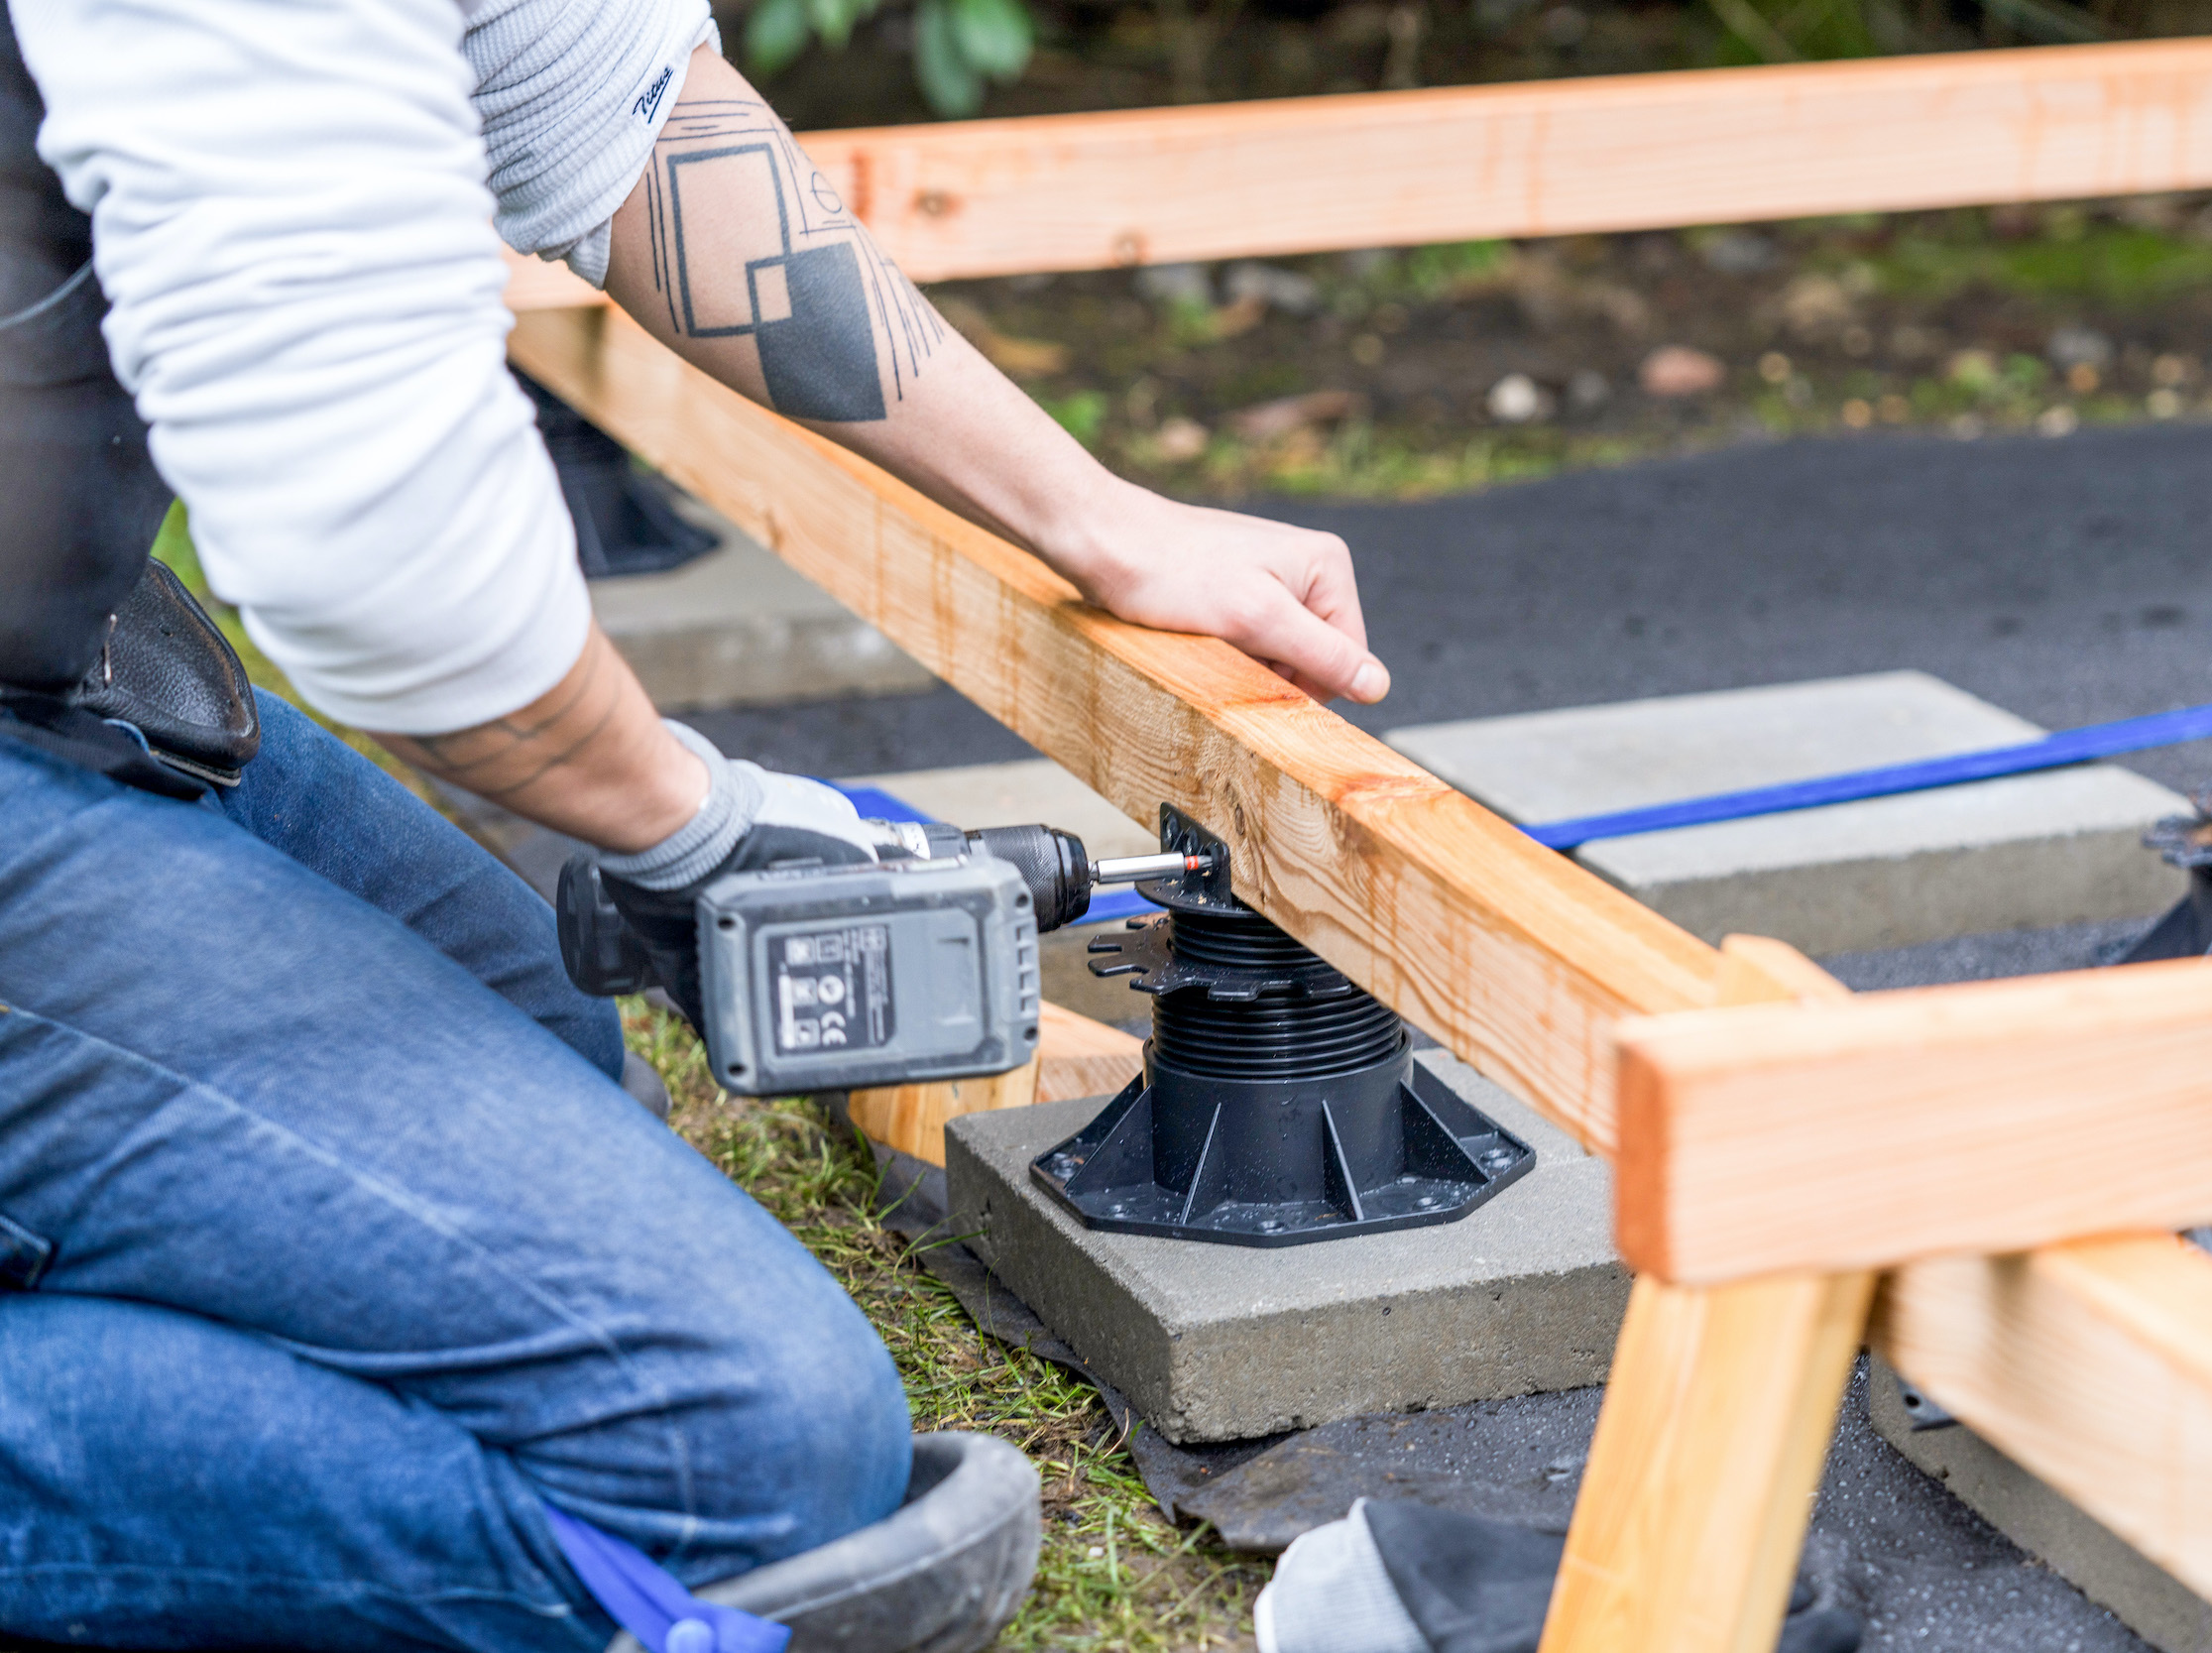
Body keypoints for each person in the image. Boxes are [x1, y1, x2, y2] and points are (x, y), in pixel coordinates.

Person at [0, 0, 1388, 1648]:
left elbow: (617, 112)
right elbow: (382, 561)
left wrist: (1103, 517)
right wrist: (704, 831)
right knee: (727, 1450)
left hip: (53, 650)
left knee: (554, 1051)